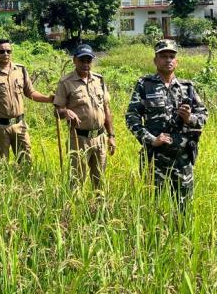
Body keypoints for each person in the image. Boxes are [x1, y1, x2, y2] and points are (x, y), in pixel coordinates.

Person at [125, 39, 208, 211]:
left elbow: (203, 115)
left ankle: (181, 229)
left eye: (171, 56)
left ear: (177, 61)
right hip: (155, 158)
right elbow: (132, 117)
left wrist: (190, 118)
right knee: (152, 208)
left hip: (182, 159)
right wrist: (151, 139)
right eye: (163, 56)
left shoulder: (187, 87)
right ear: (155, 60)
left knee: (184, 209)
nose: (168, 60)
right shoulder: (145, 85)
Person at [0, 39, 54, 165]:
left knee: (26, 162)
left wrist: (48, 99)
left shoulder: (20, 70)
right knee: (2, 165)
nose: (6, 54)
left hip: (19, 125)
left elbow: (30, 92)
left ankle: (23, 177)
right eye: (2, 51)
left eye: (8, 51)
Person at [53, 44, 116, 190]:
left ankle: (99, 204)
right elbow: (57, 110)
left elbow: (106, 109)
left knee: (100, 181)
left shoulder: (99, 80)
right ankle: (76, 204)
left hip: (100, 138)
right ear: (74, 60)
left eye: (89, 61)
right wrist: (65, 112)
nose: (86, 64)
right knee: (77, 181)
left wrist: (111, 135)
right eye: (82, 60)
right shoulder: (66, 82)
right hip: (78, 138)